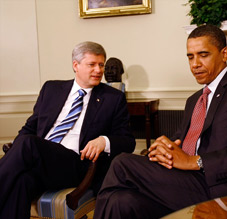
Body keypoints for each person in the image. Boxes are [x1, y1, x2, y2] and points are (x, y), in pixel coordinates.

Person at [93, 25, 227, 219]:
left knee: (122, 163)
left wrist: (196, 161)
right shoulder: (194, 100)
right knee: (121, 201)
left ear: (224, 53)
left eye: (203, 55)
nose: (195, 64)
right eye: (190, 57)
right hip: (190, 184)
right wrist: (163, 148)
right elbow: (180, 142)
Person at [0, 41, 135, 219]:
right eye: (92, 64)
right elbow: (29, 127)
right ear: (75, 65)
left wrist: (104, 141)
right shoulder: (51, 89)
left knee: (28, 143)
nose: (99, 70)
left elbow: (128, 140)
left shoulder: (113, 98)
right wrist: (17, 154)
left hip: (75, 164)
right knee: (21, 181)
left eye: (101, 65)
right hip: (40, 160)